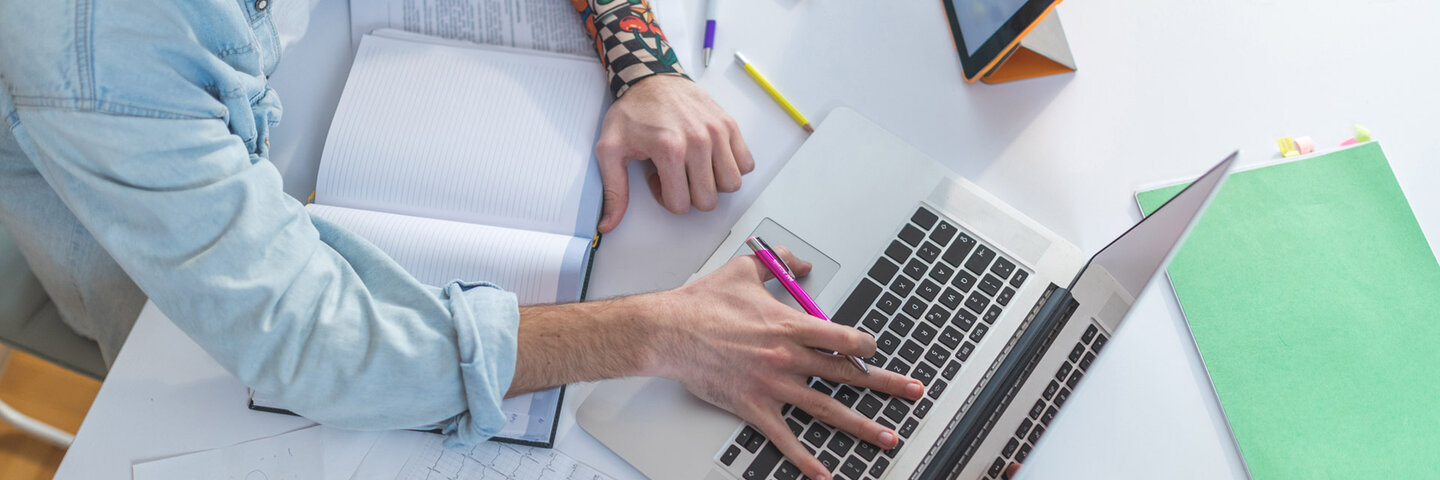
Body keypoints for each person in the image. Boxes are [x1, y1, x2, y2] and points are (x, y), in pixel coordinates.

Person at [0, 1, 919, 478]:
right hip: (163, 297)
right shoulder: (100, 49)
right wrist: (660, 332)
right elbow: (316, 345)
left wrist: (643, 64)